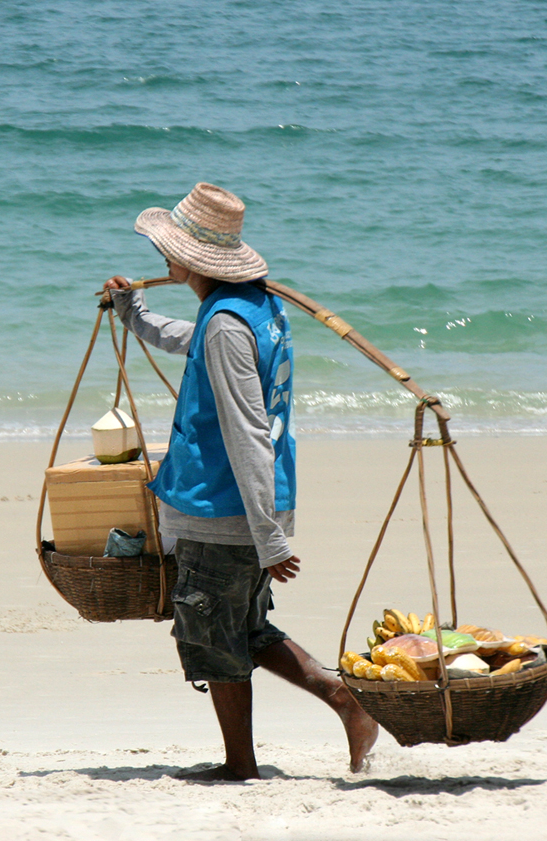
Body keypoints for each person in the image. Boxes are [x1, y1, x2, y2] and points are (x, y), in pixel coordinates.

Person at [102, 182, 377, 781]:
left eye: (168, 250)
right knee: (245, 628)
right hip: (252, 503)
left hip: (223, 508)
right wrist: (135, 315)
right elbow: (195, 341)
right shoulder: (249, 307)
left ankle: (240, 765)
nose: (162, 260)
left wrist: (267, 538)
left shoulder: (227, 323)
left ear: (193, 259)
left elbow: (247, 432)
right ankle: (346, 702)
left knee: (212, 635)